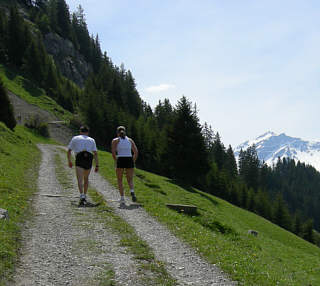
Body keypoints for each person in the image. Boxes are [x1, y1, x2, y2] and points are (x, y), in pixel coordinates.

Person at [67, 125, 99, 206]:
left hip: (79, 158)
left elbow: (69, 150)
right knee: (86, 178)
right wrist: (97, 165)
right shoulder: (92, 140)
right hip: (88, 158)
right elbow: (95, 153)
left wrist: (69, 161)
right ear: (87, 132)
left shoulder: (75, 138)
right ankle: (85, 194)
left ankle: (82, 195)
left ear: (80, 131)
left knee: (79, 179)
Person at [111, 126, 138, 207]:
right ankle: (132, 191)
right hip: (129, 158)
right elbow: (136, 152)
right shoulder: (130, 140)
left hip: (121, 159)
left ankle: (122, 198)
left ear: (117, 132)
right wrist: (133, 161)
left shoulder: (115, 140)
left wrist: (116, 161)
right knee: (130, 179)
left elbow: (113, 152)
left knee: (120, 179)